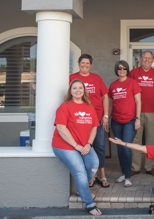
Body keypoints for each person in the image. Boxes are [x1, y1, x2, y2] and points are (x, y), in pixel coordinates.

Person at [52, 79, 101, 216]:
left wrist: (89, 144)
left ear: (84, 91)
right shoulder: (65, 107)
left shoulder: (90, 108)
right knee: (79, 171)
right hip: (65, 145)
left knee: (93, 164)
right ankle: (89, 204)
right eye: (74, 88)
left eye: (80, 88)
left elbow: (94, 128)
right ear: (70, 91)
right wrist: (76, 146)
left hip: (84, 145)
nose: (78, 90)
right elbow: (61, 129)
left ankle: (81, 188)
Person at [69, 54, 110, 188]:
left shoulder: (96, 78)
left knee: (99, 146)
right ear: (78, 63)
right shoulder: (72, 78)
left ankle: (102, 174)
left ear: (90, 65)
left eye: (87, 63)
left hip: (97, 118)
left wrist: (105, 116)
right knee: (85, 147)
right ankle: (91, 175)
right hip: (80, 120)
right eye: (83, 63)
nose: (85, 65)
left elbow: (105, 97)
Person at [129, 51, 154, 176]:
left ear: (152, 60)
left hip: (153, 112)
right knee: (136, 139)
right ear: (140, 59)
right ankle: (135, 166)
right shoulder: (133, 73)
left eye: (149, 58)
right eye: (145, 58)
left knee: (152, 140)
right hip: (136, 112)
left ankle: (150, 167)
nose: (147, 60)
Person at [108, 60, 142, 187]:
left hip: (130, 120)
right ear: (116, 70)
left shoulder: (133, 83)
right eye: (119, 68)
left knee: (126, 148)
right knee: (120, 148)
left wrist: (138, 118)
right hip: (116, 121)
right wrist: (107, 119)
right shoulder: (113, 85)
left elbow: (138, 101)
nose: (122, 70)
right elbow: (112, 104)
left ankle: (128, 176)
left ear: (127, 70)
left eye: (124, 68)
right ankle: (123, 173)